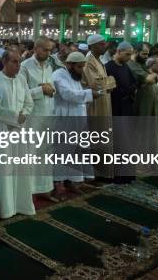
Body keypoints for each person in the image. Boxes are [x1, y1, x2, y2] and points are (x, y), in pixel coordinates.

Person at [0, 50, 36, 218]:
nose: (18, 66)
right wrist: (14, 118)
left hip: (20, 130)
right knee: (5, 169)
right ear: (4, 62)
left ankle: (21, 205)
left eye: (19, 62)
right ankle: (5, 208)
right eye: (14, 62)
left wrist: (24, 113)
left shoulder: (22, 79)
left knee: (21, 168)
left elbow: (28, 103)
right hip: (2, 130)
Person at [52, 52, 100, 191]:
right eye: (79, 67)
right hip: (64, 119)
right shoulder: (59, 75)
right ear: (69, 64)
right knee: (63, 152)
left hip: (77, 118)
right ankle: (58, 182)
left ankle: (75, 181)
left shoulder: (75, 75)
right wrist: (90, 94)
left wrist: (89, 92)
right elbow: (68, 94)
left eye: (83, 66)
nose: (81, 70)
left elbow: (78, 93)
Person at [19, 36, 57, 201]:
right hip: (32, 117)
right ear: (36, 48)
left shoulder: (49, 66)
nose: (48, 53)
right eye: (45, 49)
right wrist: (40, 90)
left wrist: (51, 90)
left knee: (46, 154)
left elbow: (52, 88)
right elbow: (20, 94)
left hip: (47, 114)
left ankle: (45, 189)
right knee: (32, 154)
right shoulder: (24, 67)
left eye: (50, 50)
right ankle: (30, 191)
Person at [82, 35, 114, 117]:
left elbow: (105, 82)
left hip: (103, 98)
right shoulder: (89, 61)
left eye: (104, 44)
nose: (104, 46)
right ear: (90, 47)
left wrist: (108, 82)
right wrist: (110, 81)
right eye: (101, 44)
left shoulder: (98, 59)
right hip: (95, 100)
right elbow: (95, 84)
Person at [105, 42, 137, 116]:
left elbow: (134, 82)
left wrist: (129, 90)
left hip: (126, 104)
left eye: (131, 55)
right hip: (115, 106)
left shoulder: (125, 66)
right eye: (127, 54)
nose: (129, 57)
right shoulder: (108, 67)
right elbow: (110, 89)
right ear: (119, 51)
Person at [128, 43, 157, 116]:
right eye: (144, 54)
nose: (146, 57)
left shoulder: (141, 62)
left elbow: (154, 80)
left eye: (147, 54)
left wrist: (152, 77)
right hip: (139, 102)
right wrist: (155, 74)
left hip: (146, 102)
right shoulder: (131, 64)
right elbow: (149, 79)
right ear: (135, 52)